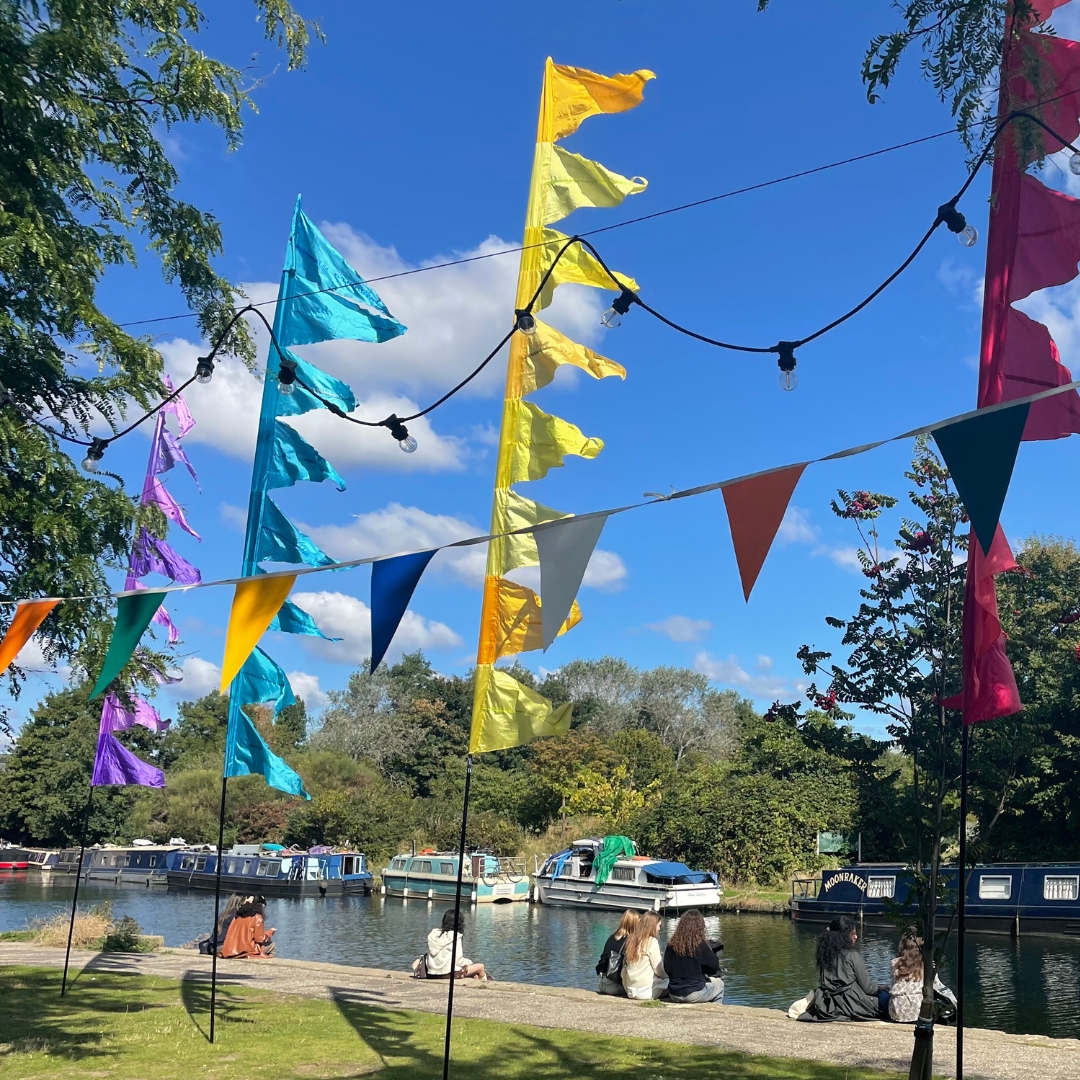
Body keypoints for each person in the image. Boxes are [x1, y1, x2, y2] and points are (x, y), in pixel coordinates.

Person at [800, 916, 887, 1021]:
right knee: (886, 996)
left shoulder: (825, 955)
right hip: (853, 1003)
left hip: (830, 1004)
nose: (856, 937)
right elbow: (868, 988)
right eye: (853, 934)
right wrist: (879, 988)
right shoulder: (852, 955)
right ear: (844, 936)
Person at [888, 930, 957, 1023]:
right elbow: (937, 985)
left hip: (898, 1010)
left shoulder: (895, 963)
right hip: (920, 1010)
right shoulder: (928, 965)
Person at [663, 909, 724, 1004]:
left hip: (674, 993)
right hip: (695, 993)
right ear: (700, 927)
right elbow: (714, 968)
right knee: (719, 984)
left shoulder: (671, 944)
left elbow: (667, 968)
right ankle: (716, 1012)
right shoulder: (701, 945)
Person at [425, 909, 487, 980]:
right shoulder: (455, 936)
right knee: (480, 967)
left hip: (431, 973)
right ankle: (487, 987)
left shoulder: (433, 935)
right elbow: (458, 961)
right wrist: (469, 962)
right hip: (449, 974)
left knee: (475, 975)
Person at [621, 910, 668, 1000]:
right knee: (670, 982)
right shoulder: (651, 941)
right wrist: (667, 976)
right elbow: (658, 969)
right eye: (658, 925)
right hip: (647, 991)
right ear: (652, 926)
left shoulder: (630, 940)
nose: (659, 929)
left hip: (630, 991)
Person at [595, 910, 639, 996]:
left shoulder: (612, 937)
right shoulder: (631, 941)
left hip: (603, 983)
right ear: (634, 924)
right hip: (616, 985)